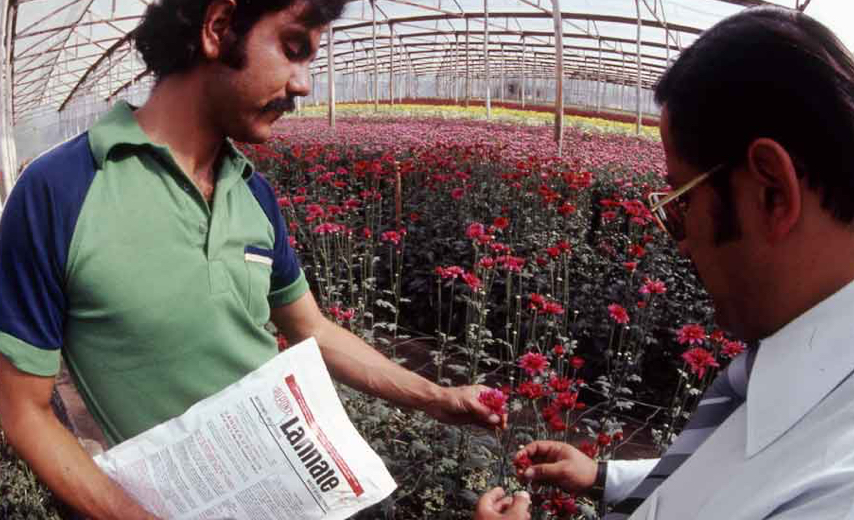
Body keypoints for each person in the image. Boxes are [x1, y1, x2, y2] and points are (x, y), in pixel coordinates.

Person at [0, 1, 503, 519]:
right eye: (292, 48)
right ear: (218, 27)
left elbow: (313, 330)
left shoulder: (252, 192)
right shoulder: (61, 190)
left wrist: (437, 398)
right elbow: (23, 410)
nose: (303, 84)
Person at [476, 6, 854, 520]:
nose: (681, 242)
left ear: (771, 192)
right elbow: (732, 473)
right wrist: (604, 477)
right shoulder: (795, 374)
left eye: (682, 201)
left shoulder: (835, 491)